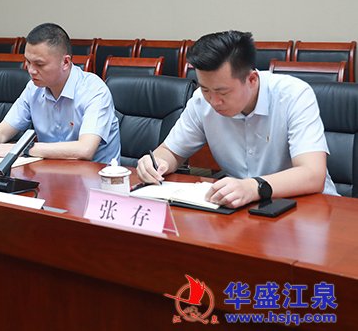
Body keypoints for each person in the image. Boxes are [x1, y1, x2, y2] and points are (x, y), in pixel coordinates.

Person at [136, 30, 338, 208]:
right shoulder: (200, 101)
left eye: (222, 92)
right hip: (242, 208)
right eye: (205, 89)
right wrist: (156, 163)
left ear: (252, 80)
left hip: (309, 207)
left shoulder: (294, 95)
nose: (213, 101)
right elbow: (171, 151)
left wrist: (253, 187)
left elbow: (312, 174)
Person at [0, 23, 120, 163]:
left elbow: (85, 149)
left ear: (65, 62)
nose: (31, 70)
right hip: (51, 174)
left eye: (39, 64)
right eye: (28, 62)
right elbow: (1, 133)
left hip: (96, 181)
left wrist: (21, 149)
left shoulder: (94, 90)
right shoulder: (33, 88)